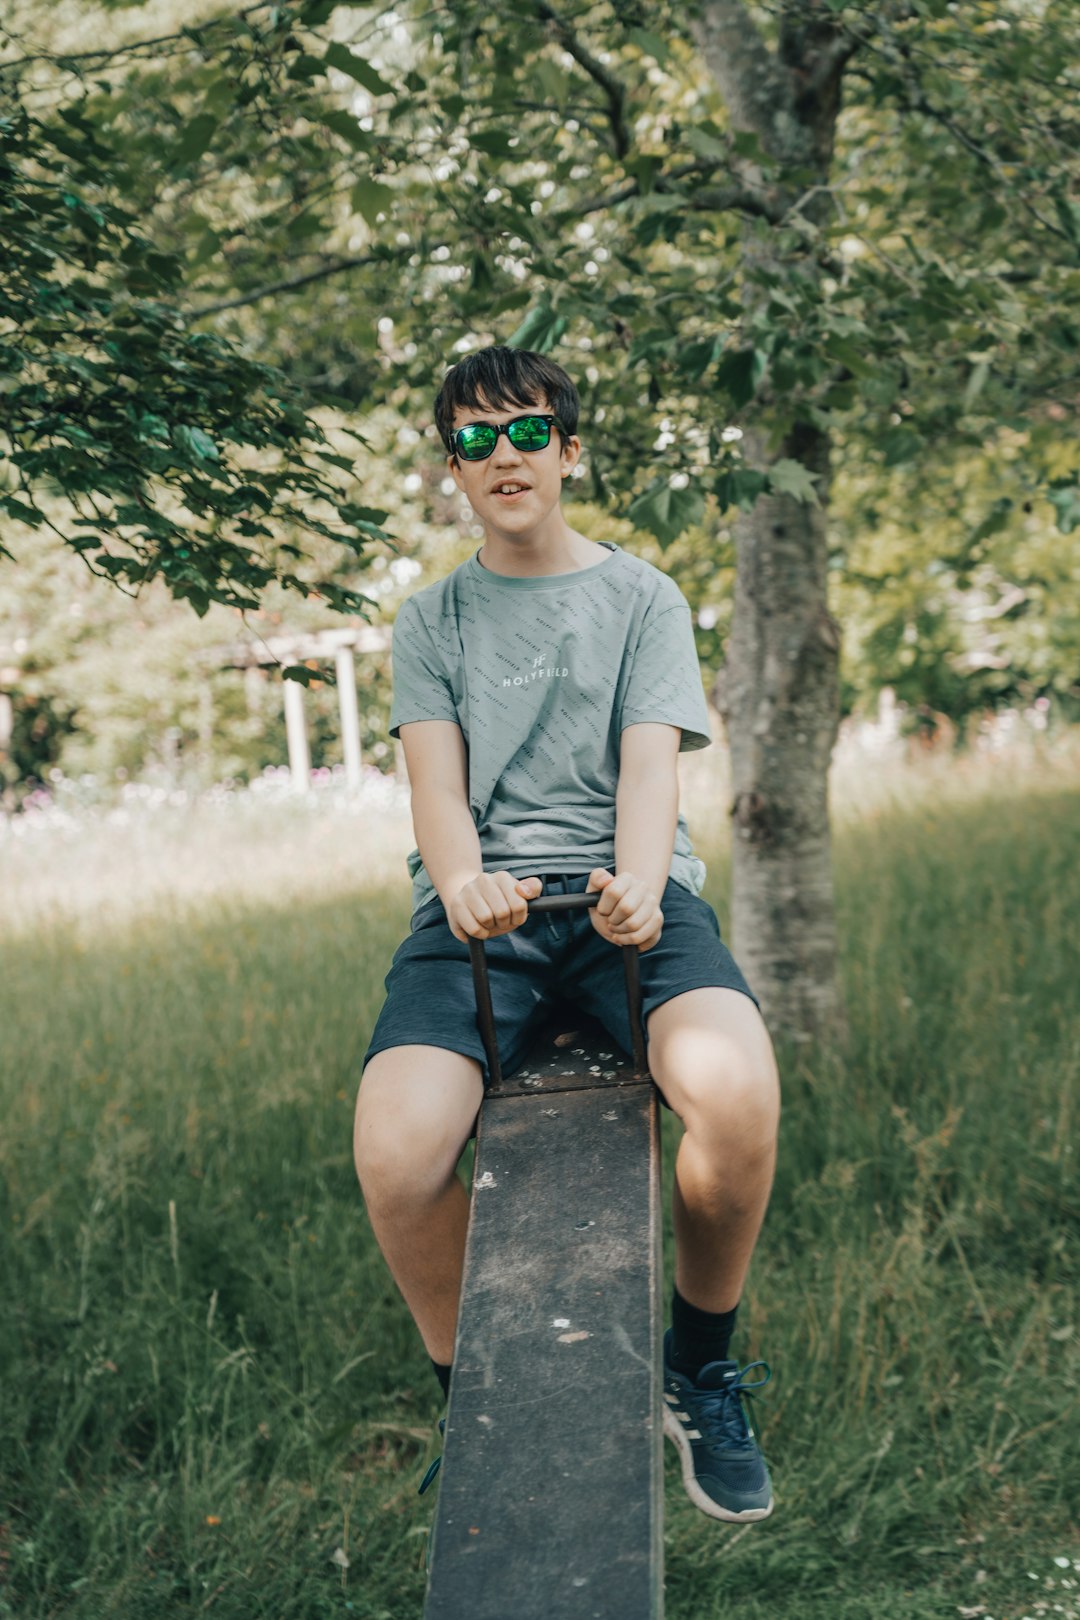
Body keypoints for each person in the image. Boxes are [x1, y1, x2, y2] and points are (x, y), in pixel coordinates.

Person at [354, 345, 781, 1524]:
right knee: (394, 1154)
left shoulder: (642, 597)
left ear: (569, 449)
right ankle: (472, 1391)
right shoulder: (430, 619)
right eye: (477, 441)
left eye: (527, 432)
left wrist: (641, 888)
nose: (505, 457)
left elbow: (650, 771)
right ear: (453, 467)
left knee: (736, 1092)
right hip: (482, 917)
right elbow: (436, 791)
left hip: (621, 903)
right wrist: (462, 883)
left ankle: (698, 1366)